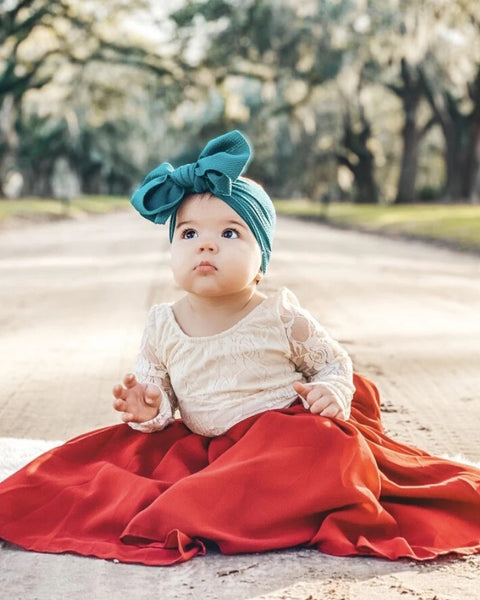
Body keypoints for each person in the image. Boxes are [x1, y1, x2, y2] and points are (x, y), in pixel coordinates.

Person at [0, 131, 479, 566]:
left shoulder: (279, 314)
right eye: (189, 234)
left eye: (229, 233)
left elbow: (332, 360)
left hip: (274, 437)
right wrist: (148, 407)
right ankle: (229, 505)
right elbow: (159, 393)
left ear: (260, 261)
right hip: (202, 447)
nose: (206, 247)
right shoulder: (162, 323)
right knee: (93, 478)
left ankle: (260, 501)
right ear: (173, 249)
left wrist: (332, 390)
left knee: (329, 446)